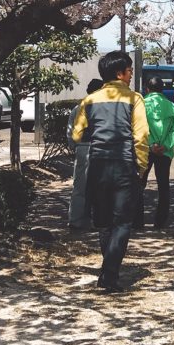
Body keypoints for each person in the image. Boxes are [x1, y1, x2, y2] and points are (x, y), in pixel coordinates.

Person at [69, 51, 149, 292]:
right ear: (119, 73)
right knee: (122, 222)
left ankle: (109, 271)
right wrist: (142, 166)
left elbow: (76, 135)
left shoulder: (89, 100)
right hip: (124, 164)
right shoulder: (134, 98)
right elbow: (141, 136)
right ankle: (110, 274)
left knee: (103, 223)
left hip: (97, 164)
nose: (131, 72)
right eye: (129, 69)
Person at [141, 76, 174, 231]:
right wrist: (165, 145)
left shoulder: (142, 105)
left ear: (147, 89)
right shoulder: (172, 107)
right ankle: (160, 222)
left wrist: (151, 144)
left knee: (139, 184)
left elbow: (139, 128)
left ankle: (137, 221)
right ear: (162, 90)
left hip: (145, 149)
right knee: (163, 185)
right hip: (165, 152)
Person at [67, 77, 106, 234]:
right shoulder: (103, 108)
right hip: (99, 148)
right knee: (99, 187)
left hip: (82, 148)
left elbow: (71, 131)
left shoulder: (78, 108)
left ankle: (75, 220)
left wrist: (73, 147)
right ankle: (97, 220)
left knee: (79, 187)